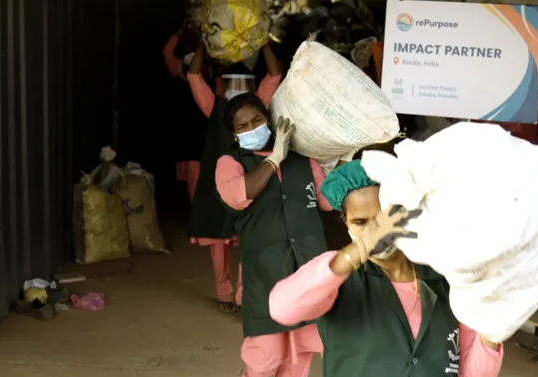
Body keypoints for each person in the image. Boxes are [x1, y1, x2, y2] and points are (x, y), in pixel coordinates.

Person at [268, 160, 504, 377]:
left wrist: (493, 327)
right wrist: (358, 251)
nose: (376, 232)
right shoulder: (338, 279)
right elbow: (282, 309)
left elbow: (470, 371)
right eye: (361, 222)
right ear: (346, 223)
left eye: (384, 219)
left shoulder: (447, 280)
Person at [214, 93, 334, 377]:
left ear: (269, 120)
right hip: (265, 275)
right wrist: (275, 158)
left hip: (305, 272)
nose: (252, 128)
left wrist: (338, 162)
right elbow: (237, 195)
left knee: (299, 357)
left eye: (257, 120)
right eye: (242, 126)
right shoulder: (231, 162)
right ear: (234, 134)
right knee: (264, 358)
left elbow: (327, 202)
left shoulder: (303, 160)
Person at [183, 41, 283, 313]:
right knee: (219, 243)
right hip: (218, 186)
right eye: (232, 83)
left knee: (249, 242)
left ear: (251, 87)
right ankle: (224, 293)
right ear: (223, 85)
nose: (237, 88)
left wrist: (264, 44)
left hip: (249, 184)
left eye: (243, 84)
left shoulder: (256, 107)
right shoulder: (213, 106)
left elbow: (274, 75)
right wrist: (204, 43)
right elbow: (193, 75)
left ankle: (242, 295)